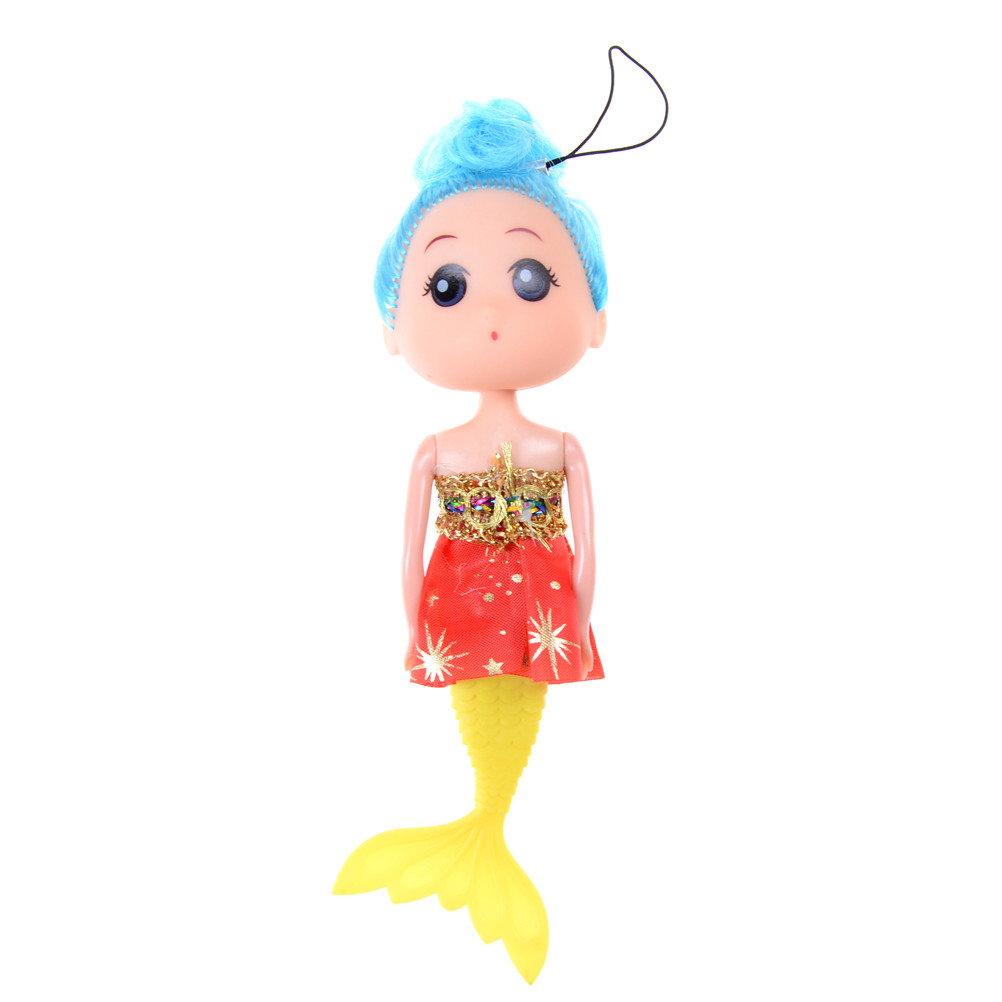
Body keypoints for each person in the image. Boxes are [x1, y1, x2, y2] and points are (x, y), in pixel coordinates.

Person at [334, 98, 610, 984]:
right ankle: (480, 835)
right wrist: (415, 626)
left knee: (505, 728)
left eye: (531, 278)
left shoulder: (559, 448)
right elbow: (406, 554)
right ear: (393, 325)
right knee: (487, 724)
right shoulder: (442, 450)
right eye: (446, 287)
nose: (490, 309)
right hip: (485, 619)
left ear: (596, 317)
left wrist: (576, 624)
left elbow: (589, 551)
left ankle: (484, 832)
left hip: (531, 622)